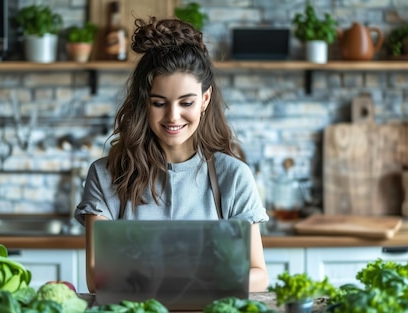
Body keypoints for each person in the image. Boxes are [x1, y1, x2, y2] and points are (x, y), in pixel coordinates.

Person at [74, 16, 269, 293]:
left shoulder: (234, 176)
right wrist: (199, 276)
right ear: (144, 102)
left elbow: (259, 275)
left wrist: (170, 279)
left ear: (205, 99)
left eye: (186, 102)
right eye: (159, 103)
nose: (173, 116)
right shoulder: (105, 175)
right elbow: (97, 279)